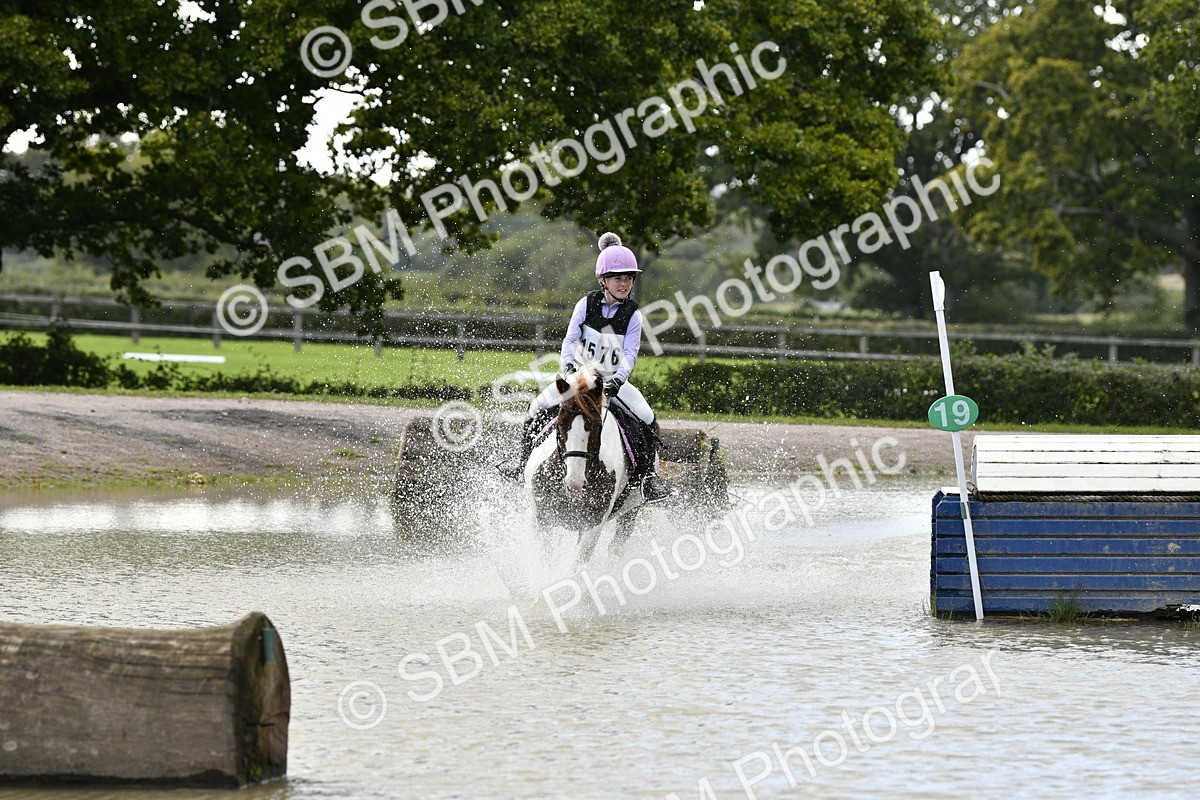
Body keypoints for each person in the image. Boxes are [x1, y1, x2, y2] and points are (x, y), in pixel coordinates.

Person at [498, 232, 671, 503]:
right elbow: (570, 340)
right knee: (535, 408)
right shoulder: (586, 304)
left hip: (613, 382)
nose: (624, 283)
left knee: (647, 417)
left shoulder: (633, 315)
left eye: (628, 278)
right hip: (580, 378)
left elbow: (629, 354)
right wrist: (568, 369)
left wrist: (618, 381)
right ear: (603, 280)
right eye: (618, 278)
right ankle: (521, 465)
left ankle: (648, 479)